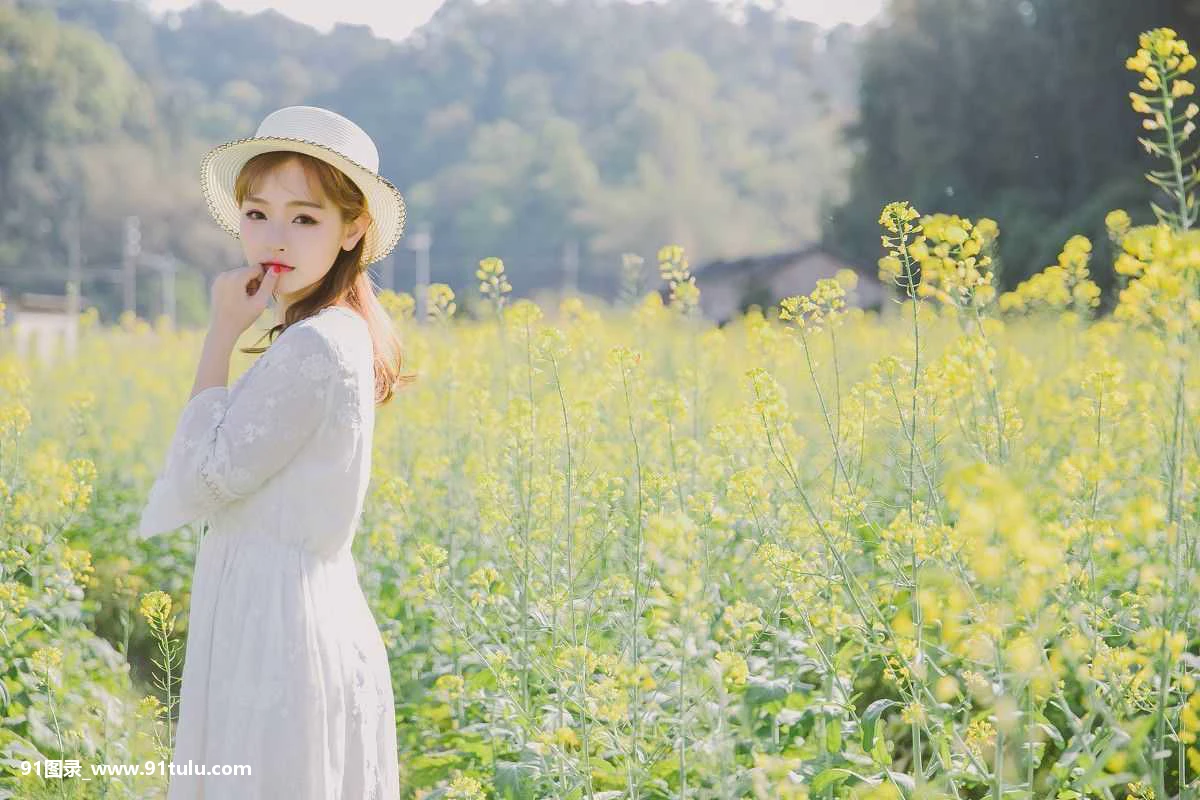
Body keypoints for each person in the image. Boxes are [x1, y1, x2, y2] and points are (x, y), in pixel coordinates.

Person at [137, 105, 414, 799]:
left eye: (305, 218)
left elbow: (199, 481)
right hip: (287, 614)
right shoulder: (329, 332)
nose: (275, 240)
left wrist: (220, 335)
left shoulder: (315, 345)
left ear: (353, 229)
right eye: (257, 214)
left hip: (280, 633)